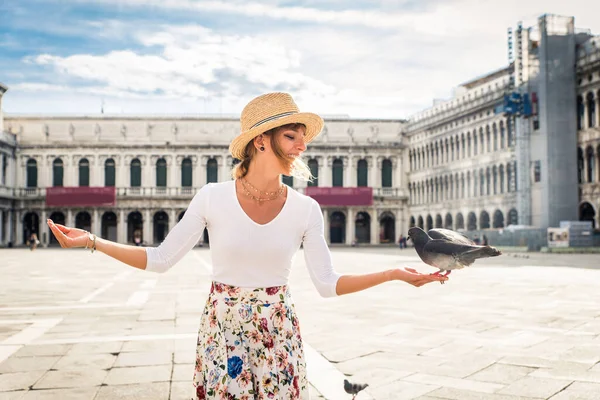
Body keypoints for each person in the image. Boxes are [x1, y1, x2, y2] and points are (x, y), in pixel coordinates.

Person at [47, 92, 448, 399]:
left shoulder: (306, 209)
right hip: (222, 331)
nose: (302, 146)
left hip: (279, 333)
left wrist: (394, 273)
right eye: (291, 136)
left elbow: (327, 284)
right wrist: (92, 242)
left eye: (303, 138)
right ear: (260, 141)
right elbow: (161, 259)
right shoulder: (211, 197)